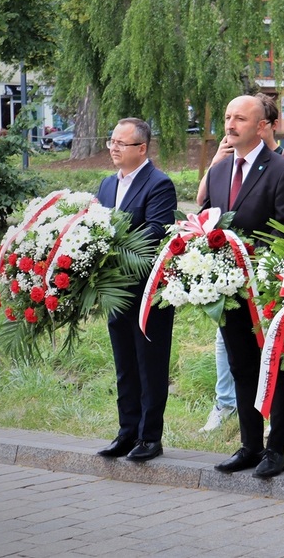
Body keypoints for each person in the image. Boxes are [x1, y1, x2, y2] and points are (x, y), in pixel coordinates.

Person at [202, 95, 284, 477]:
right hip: (228, 292)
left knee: (275, 367)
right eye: (227, 117)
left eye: (240, 119)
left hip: (267, 290)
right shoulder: (218, 171)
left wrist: (249, 258)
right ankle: (249, 445)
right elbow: (208, 222)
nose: (230, 125)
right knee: (241, 366)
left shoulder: (283, 171)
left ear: (262, 126)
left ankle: (276, 449)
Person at [95, 118, 178, 462]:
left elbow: (156, 232)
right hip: (115, 292)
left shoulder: (159, 184)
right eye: (111, 141)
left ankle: (149, 437)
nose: (113, 148)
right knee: (125, 366)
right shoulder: (106, 184)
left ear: (141, 149)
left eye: (121, 143)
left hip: (148, 294)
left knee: (150, 366)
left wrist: (111, 248)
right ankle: (126, 432)